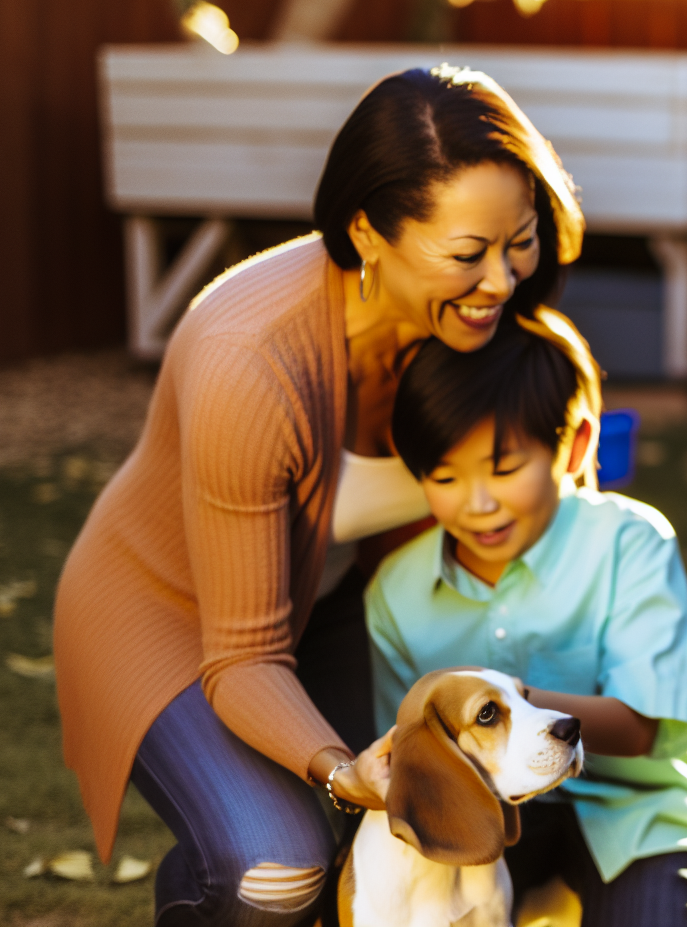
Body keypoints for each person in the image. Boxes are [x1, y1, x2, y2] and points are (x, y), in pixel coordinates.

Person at [53, 65, 584, 927]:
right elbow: (243, 656)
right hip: (163, 619)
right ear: (368, 233)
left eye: (517, 240)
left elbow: (537, 481)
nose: (502, 281)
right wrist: (342, 771)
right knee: (281, 864)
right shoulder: (249, 361)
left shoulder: (473, 324)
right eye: (467, 254)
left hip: (323, 602)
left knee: (408, 817)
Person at [365, 322, 687, 926]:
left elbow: (641, 726)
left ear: (577, 445)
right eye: (445, 477)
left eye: (504, 469)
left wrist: (490, 704)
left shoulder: (631, 543)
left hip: (633, 819)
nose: (477, 503)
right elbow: (415, 754)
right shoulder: (395, 592)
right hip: (480, 817)